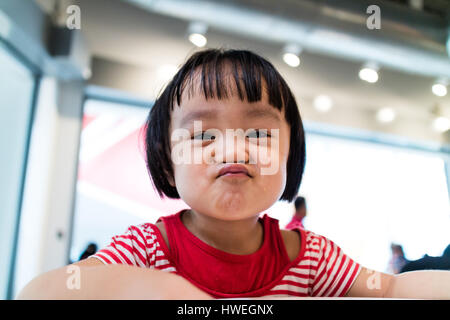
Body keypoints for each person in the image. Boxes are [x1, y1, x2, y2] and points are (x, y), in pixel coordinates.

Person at [18, 48, 450, 299]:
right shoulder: (148, 248)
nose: (233, 148)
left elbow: (391, 290)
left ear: (289, 154)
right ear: (167, 161)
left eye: (259, 131)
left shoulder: (307, 256)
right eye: (204, 134)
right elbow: (48, 291)